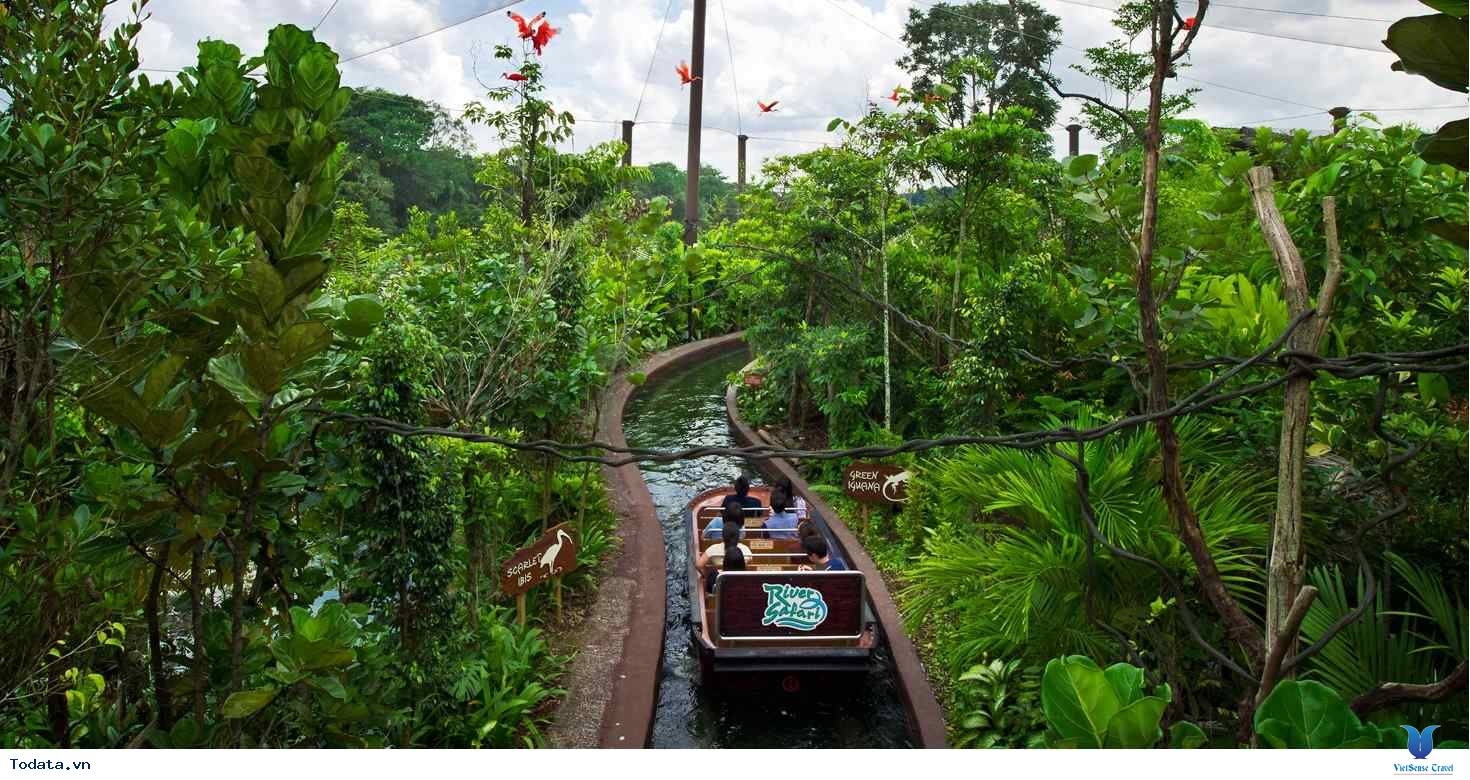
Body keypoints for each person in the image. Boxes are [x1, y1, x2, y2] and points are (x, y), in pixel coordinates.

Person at [699, 520, 747, 594]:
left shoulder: (715, 577)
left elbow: (699, 565)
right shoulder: (748, 580)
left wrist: (705, 575)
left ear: (725, 561)